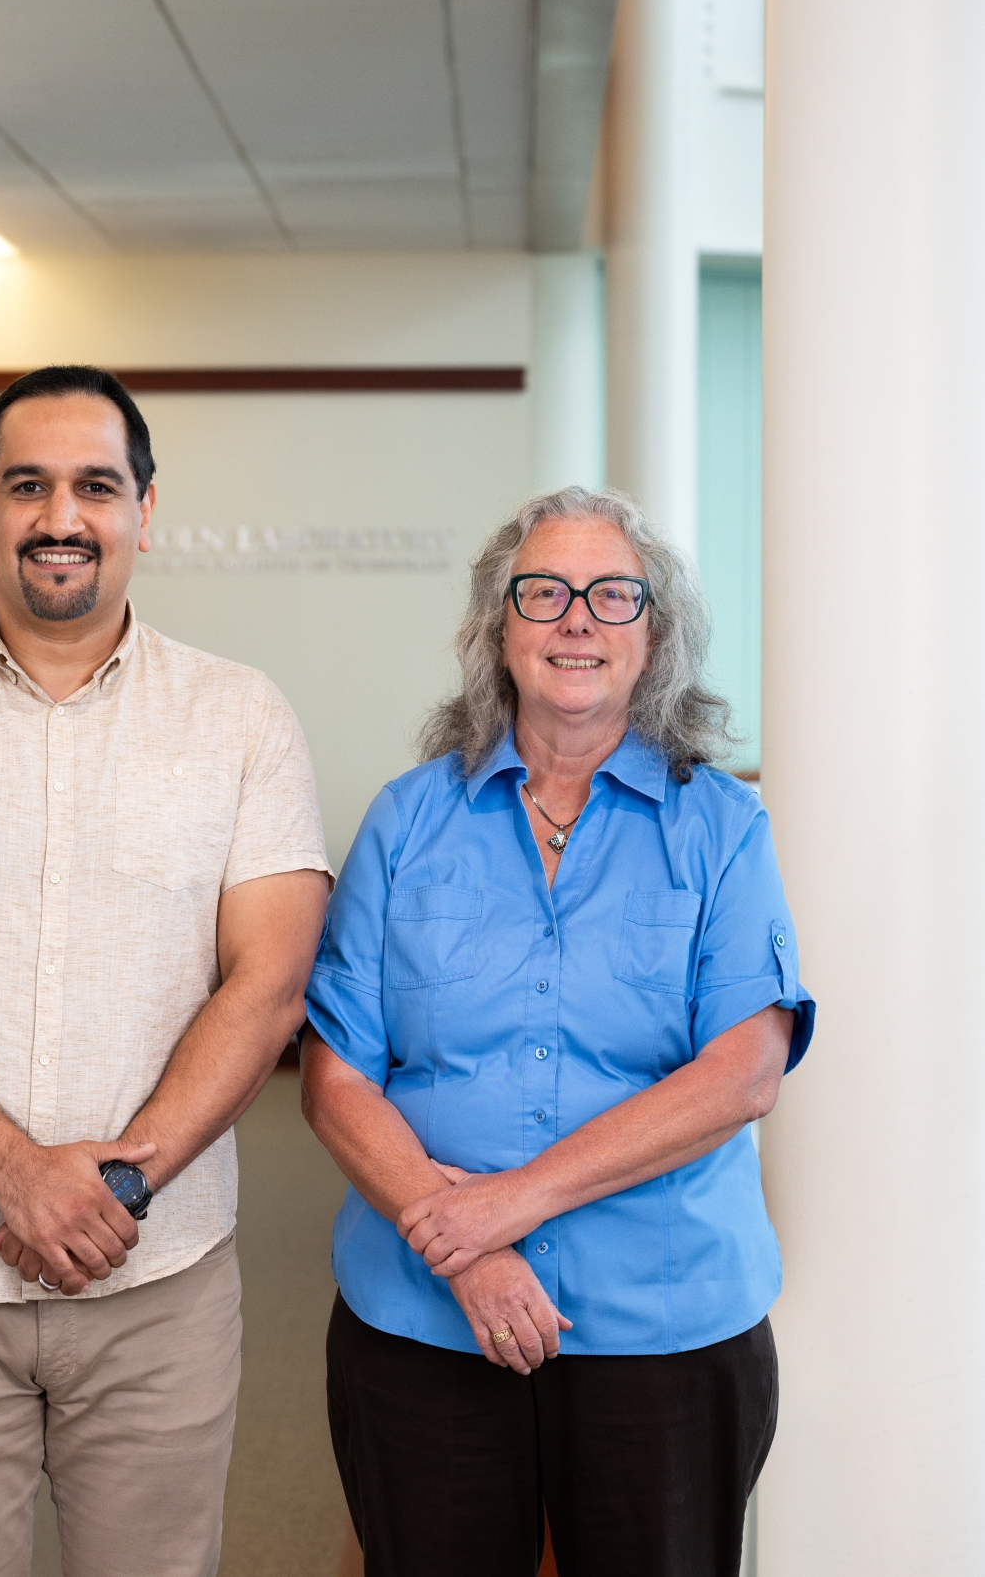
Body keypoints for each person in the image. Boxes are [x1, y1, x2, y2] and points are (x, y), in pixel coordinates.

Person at [0, 364, 331, 1577]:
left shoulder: (242, 717)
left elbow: (268, 983)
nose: (60, 516)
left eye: (94, 484)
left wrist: (114, 1186)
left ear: (143, 508)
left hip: (162, 1268)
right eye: (26, 485)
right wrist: (15, 1170)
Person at [301, 485, 812, 1577]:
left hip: (663, 1324)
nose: (576, 617)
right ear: (498, 630)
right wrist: (469, 1250)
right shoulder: (407, 815)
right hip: (423, 1314)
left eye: (611, 594)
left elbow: (742, 1072)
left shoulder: (723, 827)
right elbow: (334, 1073)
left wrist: (505, 1204)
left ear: (653, 638)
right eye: (543, 591)